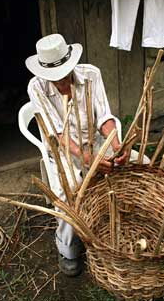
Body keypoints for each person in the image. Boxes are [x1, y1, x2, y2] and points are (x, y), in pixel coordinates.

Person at [25, 34, 147, 276]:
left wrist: (116, 146)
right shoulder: (36, 87)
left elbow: (104, 118)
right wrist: (86, 159)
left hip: (97, 143)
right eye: (55, 79)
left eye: (64, 76)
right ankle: (68, 250)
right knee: (71, 195)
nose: (61, 83)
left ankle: (135, 222)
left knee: (141, 164)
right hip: (64, 154)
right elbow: (58, 134)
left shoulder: (91, 74)